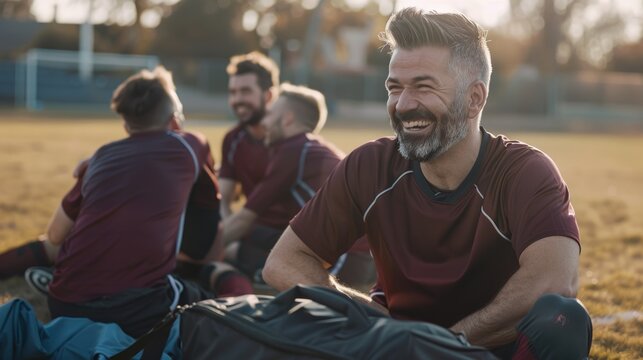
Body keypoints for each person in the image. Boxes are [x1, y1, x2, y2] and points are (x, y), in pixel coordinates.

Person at [263, 8, 592, 359]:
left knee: (563, 319)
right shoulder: (369, 165)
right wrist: (374, 319)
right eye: (395, 88)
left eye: (423, 86)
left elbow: (555, 281)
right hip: (395, 345)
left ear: (474, 98)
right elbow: (283, 262)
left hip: (486, 348)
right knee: (300, 317)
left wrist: (436, 348)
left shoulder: (524, 171)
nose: (403, 105)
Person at [0, 67, 248, 337]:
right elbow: (207, 204)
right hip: (137, 308)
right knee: (223, 297)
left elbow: (55, 234)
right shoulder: (191, 144)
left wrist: (92, 165)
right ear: (175, 121)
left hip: (64, 303)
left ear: (126, 124)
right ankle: (234, 298)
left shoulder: (100, 158)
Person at [221, 83, 375, 290]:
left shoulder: (294, 150)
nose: (263, 122)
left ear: (287, 119)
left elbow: (243, 219)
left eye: (270, 114)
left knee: (267, 266)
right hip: (359, 253)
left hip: (348, 255)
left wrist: (197, 255)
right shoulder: (309, 148)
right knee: (257, 240)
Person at [219, 51, 279, 220]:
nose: (237, 99)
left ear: (268, 95)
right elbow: (223, 201)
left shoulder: (290, 139)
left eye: (245, 91)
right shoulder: (233, 140)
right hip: (254, 232)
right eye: (233, 92)